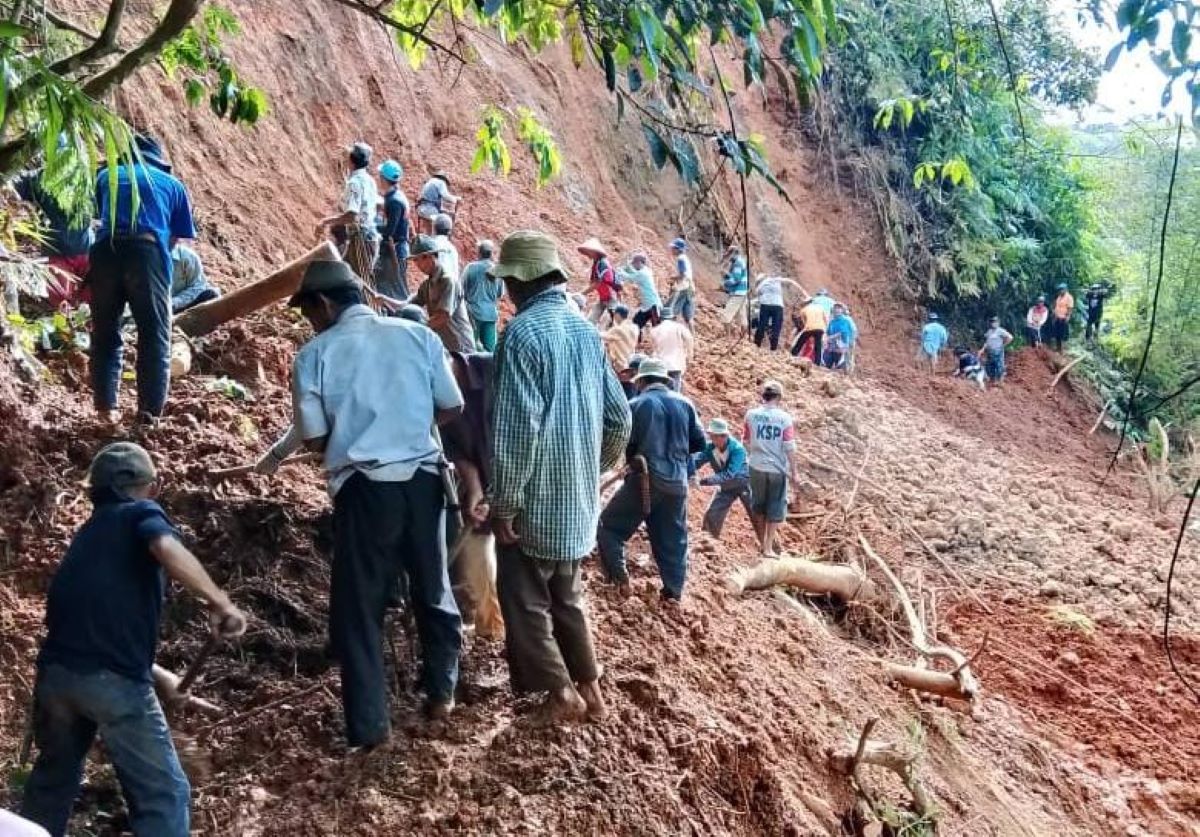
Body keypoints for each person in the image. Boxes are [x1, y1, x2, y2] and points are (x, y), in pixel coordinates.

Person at [22, 442, 247, 837]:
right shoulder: (140, 514)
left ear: (95, 491)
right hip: (112, 682)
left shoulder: (87, 537)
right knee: (165, 793)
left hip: (56, 678)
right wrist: (220, 601)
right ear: (152, 488)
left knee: (52, 781)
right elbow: (164, 545)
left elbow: (89, 637)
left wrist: (159, 676)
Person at [287, 259, 465, 743]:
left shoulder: (314, 355)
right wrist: (409, 427)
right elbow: (451, 406)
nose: (311, 323)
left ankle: (371, 728)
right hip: (425, 481)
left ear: (322, 305)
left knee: (358, 607)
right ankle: (441, 694)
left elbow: (315, 438)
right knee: (433, 586)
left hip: (365, 489)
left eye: (309, 314)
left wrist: (355, 435)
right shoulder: (418, 337)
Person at [489, 230, 632, 724]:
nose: (506, 291)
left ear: (522, 282)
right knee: (567, 598)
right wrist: (588, 470)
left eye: (508, 282)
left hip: (533, 503)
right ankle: (592, 693)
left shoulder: (522, 335)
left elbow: (514, 432)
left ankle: (560, 694)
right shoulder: (587, 333)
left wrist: (505, 504)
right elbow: (620, 420)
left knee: (524, 599)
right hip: (575, 503)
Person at [89, 133, 197, 424]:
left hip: (104, 252)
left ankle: (105, 411)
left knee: (106, 333)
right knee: (154, 335)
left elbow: (100, 217)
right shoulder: (173, 185)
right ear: (159, 162)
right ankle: (147, 417)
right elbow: (176, 237)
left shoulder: (106, 175)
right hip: (147, 254)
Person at [598, 358, 705, 602]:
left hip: (645, 479)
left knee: (608, 527)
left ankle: (619, 580)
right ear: (665, 380)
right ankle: (673, 594)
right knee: (673, 540)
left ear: (641, 381)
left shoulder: (636, 404)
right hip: (677, 484)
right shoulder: (685, 404)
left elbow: (624, 442)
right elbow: (699, 443)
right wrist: (676, 453)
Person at [440, 350, 503, 639]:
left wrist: (504, 488)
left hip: (526, 485)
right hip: (484, 488)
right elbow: (456, 451)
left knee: (528, 570)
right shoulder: (437, 400)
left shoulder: (495, 368)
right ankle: (490, 629)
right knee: (476, 555)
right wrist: (476, 488)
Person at [11, 165, 94, 307]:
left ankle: (77, 325)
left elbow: (13, 186)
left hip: (70, 248)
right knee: (70, 299)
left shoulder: (38, 178)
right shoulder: (82, 174)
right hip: (73, 248)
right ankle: (79, 325)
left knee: (71, 299)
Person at [743, 380, 800, 557]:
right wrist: (794, 473)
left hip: (756, 466)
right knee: (775, 508)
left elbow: (745, 441)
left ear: (763, 396)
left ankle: (762, 544)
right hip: (776, 469)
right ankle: (768, 547)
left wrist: (754, 456)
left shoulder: (751, 415)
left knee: (758, 506)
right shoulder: (784, 418)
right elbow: (789, 446)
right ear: (779, 397)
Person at [314, 142, 379, 286]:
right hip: (369, 236)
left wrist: (326, 221)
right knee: (356, 279)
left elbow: (352, 215)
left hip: (360, 238)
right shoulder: (370, 181)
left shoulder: (354, 183)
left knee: (357, 282)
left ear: (350, 160)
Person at [408, 234, 477, 353]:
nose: (419, 265)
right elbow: (409, 305)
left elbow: (442, 317)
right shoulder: (427, 285)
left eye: (422, 258)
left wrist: (418, 327)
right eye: (415, 260)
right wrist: (384, 300)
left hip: (461, 347)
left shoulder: (448, 281)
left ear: (433, 256)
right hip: (445, 346)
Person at [691, 417, 752, 539]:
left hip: (744, 483)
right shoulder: (710, 447)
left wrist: (704, 481)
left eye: (716, 436)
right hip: (726, 486)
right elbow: (698, 460)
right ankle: (708, 542)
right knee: (713, 513)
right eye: (712, 436)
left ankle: (771, 547)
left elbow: (730, 473)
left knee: (757, 514)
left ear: (724, 436)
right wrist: (688, 470)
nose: (713, 439)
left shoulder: (737, 449)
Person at [375, 159, 410, 299]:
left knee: (395, 288)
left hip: (395, 250)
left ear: (383, 179)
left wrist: (373, 226)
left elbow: (390, 231)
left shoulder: (394, 201)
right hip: (396, 248)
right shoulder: (395, 196)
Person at [460, 240, 502, 351]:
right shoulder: (497, 270)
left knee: (471, 346)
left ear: (479, 253)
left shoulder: (471, 268)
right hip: (490, 314)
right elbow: (500, 294)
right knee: (490, 349)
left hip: (473, 313)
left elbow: (461, 289)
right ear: (491, 253)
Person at [577, 237, 621, 326]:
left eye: (588, 251)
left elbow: (598, 283)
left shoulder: (603, 263)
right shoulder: (596, 264)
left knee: (614, 321)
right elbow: (593, 282)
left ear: (595, 251)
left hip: (611, 296)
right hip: (603, 297)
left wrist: (581, 293)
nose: (587, 254)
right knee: (591, 320)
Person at [649, 305, 694, 391]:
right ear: (673, 318)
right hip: (675, 364)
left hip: (660, 366)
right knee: (675, 391)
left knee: (661, 390)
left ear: (660, 318)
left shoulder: (654, 330)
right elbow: (689, 339)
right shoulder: (679, 327)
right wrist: (689, 355)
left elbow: (654, 349)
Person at [617, 251, 661, 336]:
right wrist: (626, 269)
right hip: (647, 305)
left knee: (657, 329)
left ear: (639, 262)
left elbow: (630, 277)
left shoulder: (643, 274)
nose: (633, 265)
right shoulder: (646, 270)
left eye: (634, 263)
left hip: (653, 305)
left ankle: (660, 347)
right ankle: (636, 343)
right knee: (636, 324)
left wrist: (620, 271)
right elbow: (633, 273)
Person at [169, 244, 220, 313]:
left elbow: (198, 286)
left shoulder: (187, 256)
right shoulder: (150, 258)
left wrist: (174, 302)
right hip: (156, 308)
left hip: (180, 304)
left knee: (211, 295)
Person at [753, 274, 788, 350]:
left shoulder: (762, 284)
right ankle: (773, 348)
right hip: (778, 306)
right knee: (776, 327)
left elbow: (757, 293)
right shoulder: (777, 281)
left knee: (762, 324)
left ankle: (756, 344)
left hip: (766, 304)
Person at [720, 246, 750, 336]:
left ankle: (727, 338)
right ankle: (743, 339)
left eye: (729, 254)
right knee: (742, 317)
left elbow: (736, 279)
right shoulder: (740, 262)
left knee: (725, 316)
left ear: (734, 253)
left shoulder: (737, 263)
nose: (728, 257)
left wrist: (724, 284)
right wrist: (727, 275)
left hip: (737, 293)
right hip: (743, 293)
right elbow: (737, 277)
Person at [601, 304, 639, 373]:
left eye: (615, 314)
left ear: (618, 315)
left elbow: (602, 336)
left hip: (620, 364)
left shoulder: (617, 330)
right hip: (631, 361)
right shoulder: (635, 328)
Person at [666, 238, 695, 327]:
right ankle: (693, 338)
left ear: (678, 249)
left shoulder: (680, 259)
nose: (672, 250)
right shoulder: (685, 258)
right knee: (688, 317)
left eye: (673, 248)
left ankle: (671, 334)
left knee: (671, 311)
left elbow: (682, 275)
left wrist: (672, 278)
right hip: (690, 287)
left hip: (683, 287)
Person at [790, 295, 829, 360]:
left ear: (807, 303)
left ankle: (793, 355)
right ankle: (817, 362)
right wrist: (824, 329)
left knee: (800, 342)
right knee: (818, 345)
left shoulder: (804, 310)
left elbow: (803, 321)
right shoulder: (820, 308)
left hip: (809, 327)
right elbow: (826, 319)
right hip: (820, 328)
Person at [979, 316, 1014, 385]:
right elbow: (987, 342)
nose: (993, 323)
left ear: (998, 323)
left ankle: (1000, 382)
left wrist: (1003, 345)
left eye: (995, 322)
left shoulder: (1001, 330)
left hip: (998, 351)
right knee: (990, 366)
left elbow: (1010, 337)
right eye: (992, 322)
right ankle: (992, 381)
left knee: (999, 366)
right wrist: (982, 349)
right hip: (990, 351)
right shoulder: (989, 331)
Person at [824, 302, 857, 371]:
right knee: (827, 363)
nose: (837, 310)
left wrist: (829, 338)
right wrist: (826, 340)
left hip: (843, 345)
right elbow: (828, 332)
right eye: (835, 308)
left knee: (843, 364)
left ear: (842, 310)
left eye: (839, 308)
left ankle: (848, 374)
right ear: (832, 310)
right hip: (833, 345)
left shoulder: (844, 320)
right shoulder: (832, 321)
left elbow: (841, 333)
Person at [432, 212, 461, 281]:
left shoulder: (431, 246)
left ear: (435, 229)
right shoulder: (452, 249)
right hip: (451, 287)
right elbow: (456, 274)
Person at [1050, 282, 1074, 351]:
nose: (1060, 291)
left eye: (1062, 289)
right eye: (1060, 289)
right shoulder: (1059, 297)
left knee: (1063, 334)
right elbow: (1056, 305)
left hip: (1063, 318)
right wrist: (1054, 313)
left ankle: (1062, 349)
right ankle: (1058, 348)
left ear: (1065, 289)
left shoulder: (1069, 297)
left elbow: (1070, 308)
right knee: (1057, 334)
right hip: (1057, 317)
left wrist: (1068, 316)